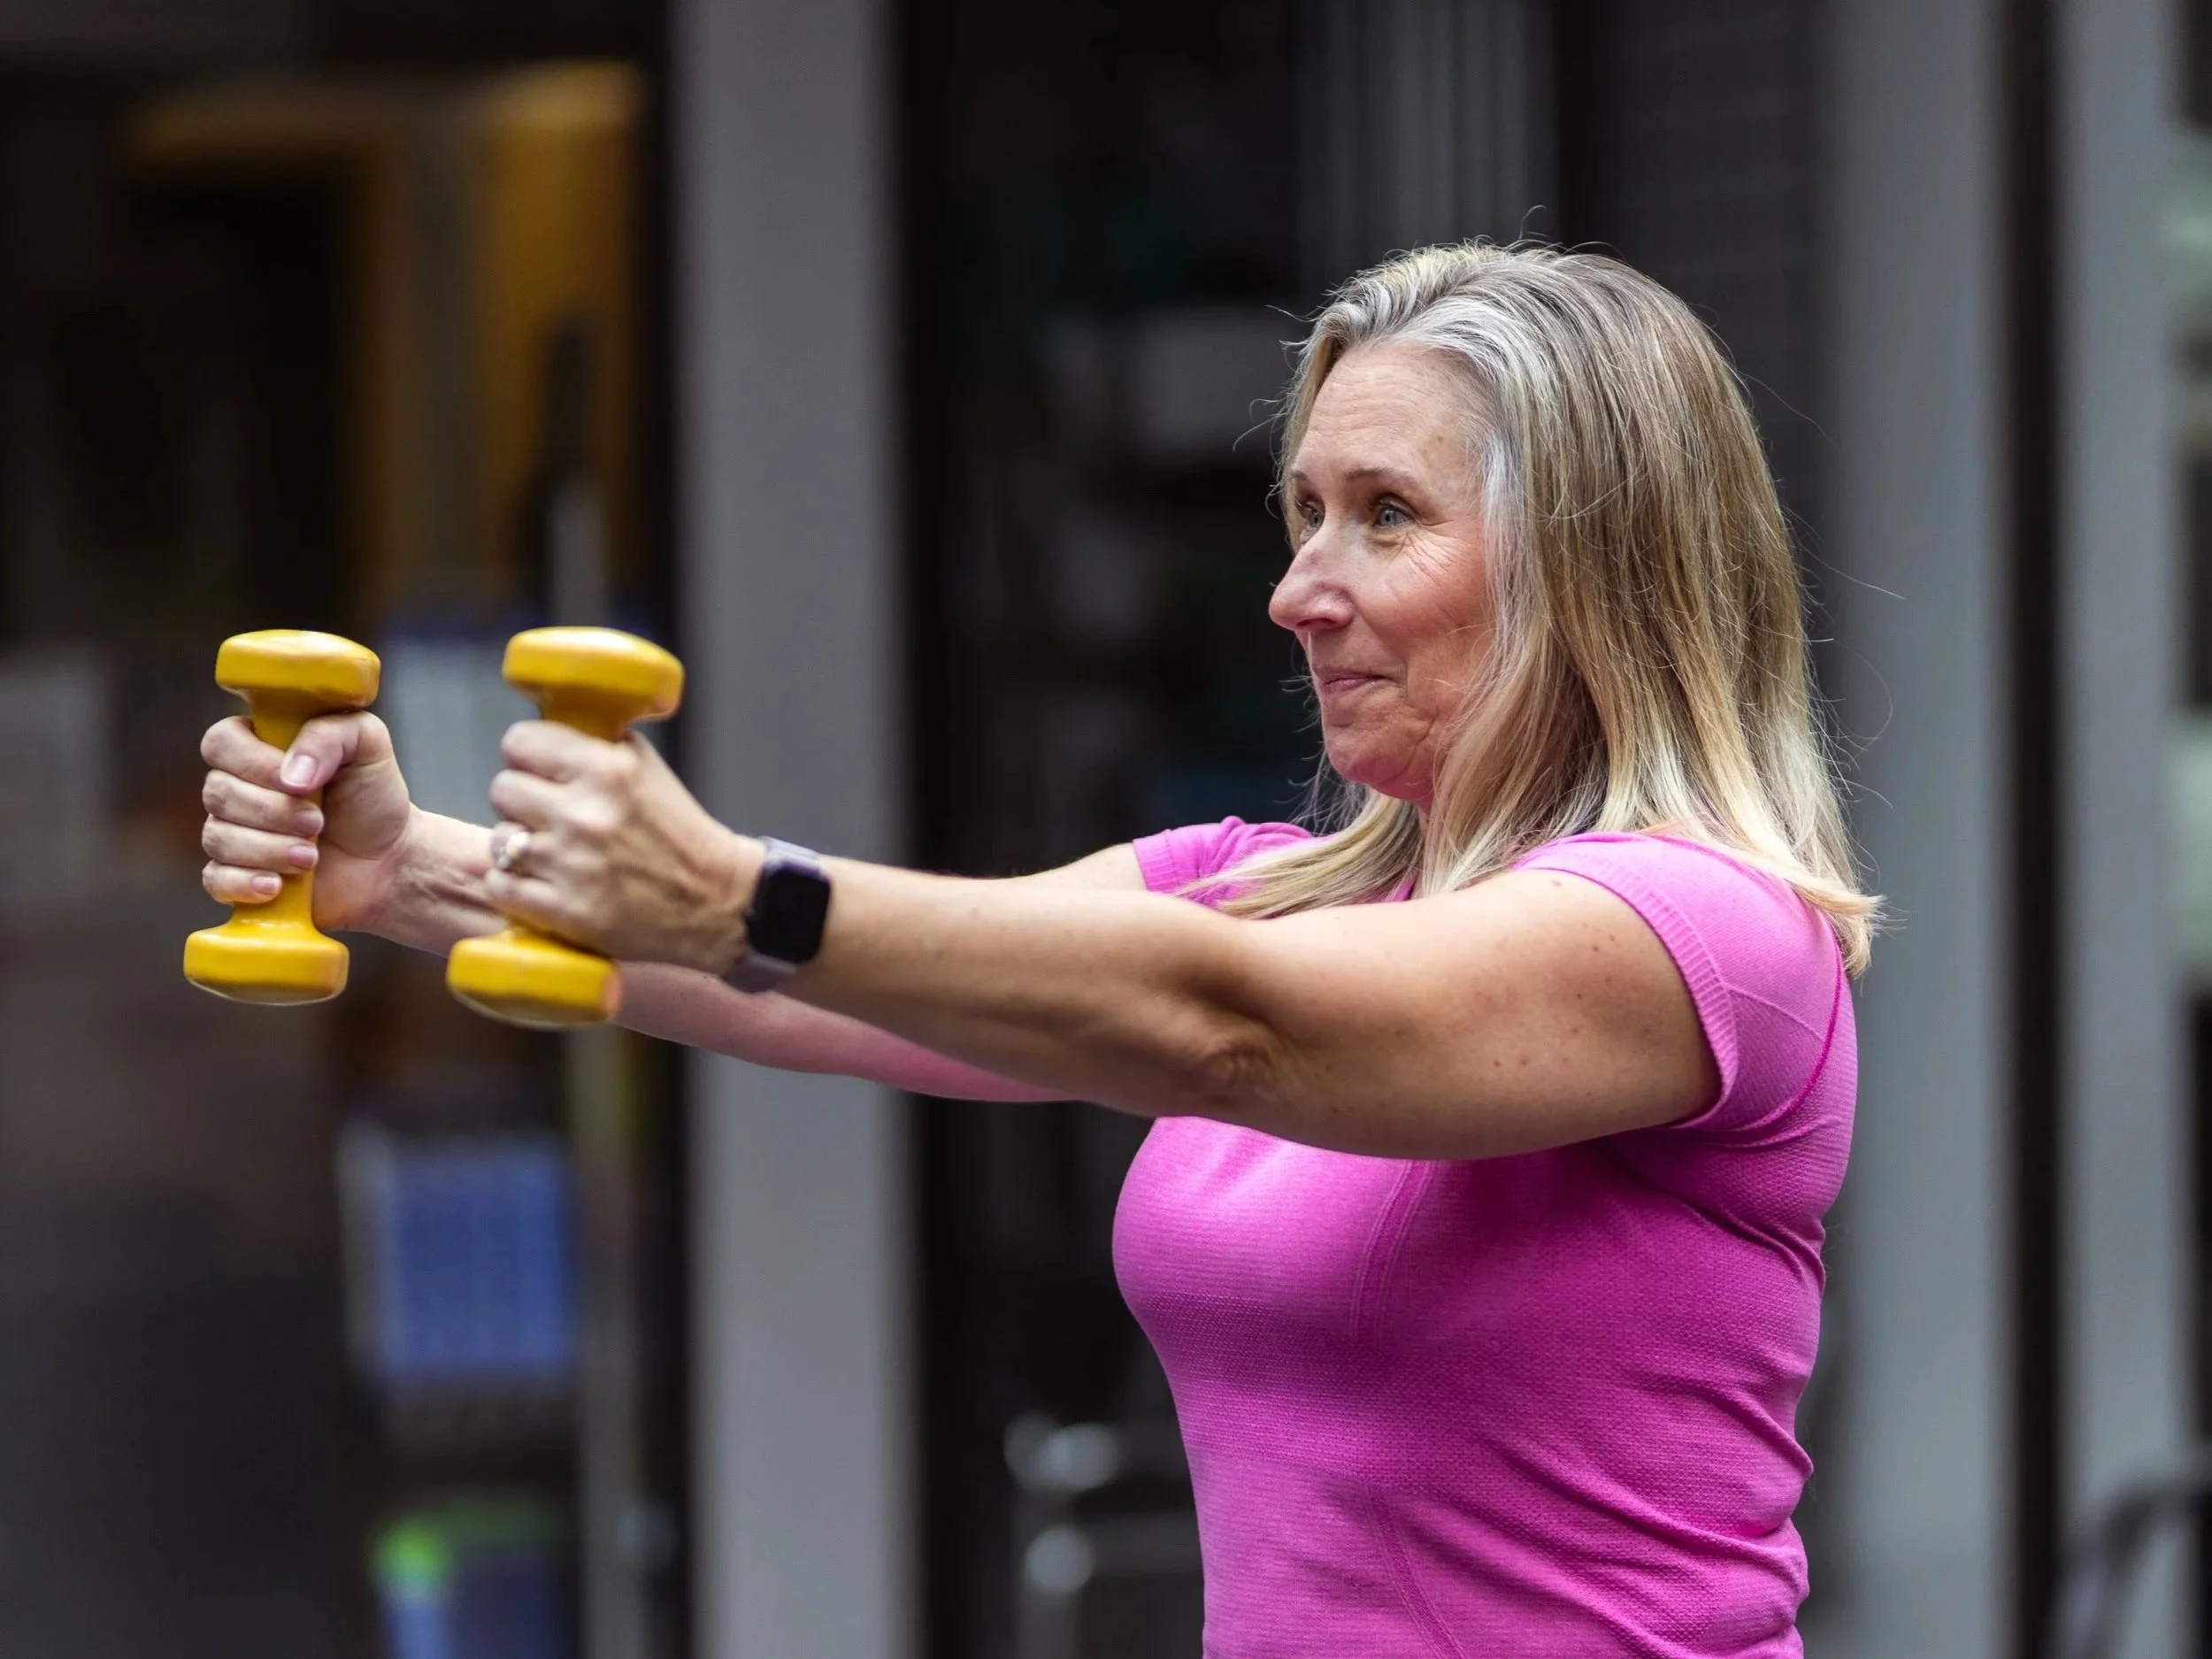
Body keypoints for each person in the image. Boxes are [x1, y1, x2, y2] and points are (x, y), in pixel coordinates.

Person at [200, 242, 1874, 1657]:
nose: (1300, 589)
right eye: (1302, 512)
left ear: (1590, 564)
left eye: (1384, 515)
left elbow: (1230, 1031)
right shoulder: (1266, 884)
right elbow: (868, 987)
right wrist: (406, 869)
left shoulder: (1708, 930)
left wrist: (733, 886)